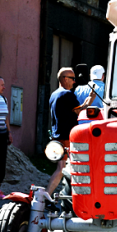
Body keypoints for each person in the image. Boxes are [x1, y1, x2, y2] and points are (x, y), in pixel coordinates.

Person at [47, 67, 94, 195]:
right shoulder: (67, 94)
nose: (74, 82)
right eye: (72, 79)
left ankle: (49, 195)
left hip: (57, 137)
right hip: (67, 137)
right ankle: (70, 196)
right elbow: (80, 111)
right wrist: (90, 99)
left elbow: (75, 109)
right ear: (64, 79)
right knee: (70, 168)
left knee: (62, 168)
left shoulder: (54, 94)